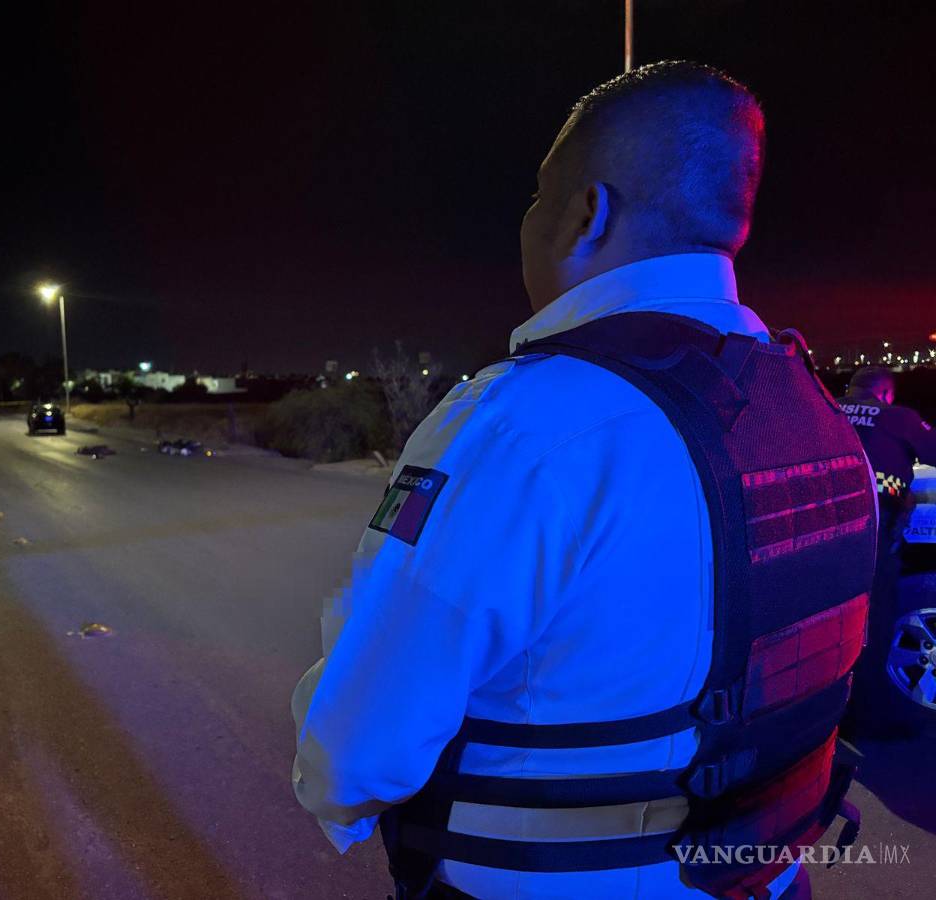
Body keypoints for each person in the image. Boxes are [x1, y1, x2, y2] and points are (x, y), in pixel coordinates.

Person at [292, 61, 877, 900]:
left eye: (537, 199)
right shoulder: (818, 417)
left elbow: (357, 753)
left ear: (585, 214)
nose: (527, 223)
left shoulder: (523, 427)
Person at [837, 367, 936, 738]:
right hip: (874, 534)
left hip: (825, 536)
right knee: (875, 625)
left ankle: (830, 713)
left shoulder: (826, 408)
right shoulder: (896, 417)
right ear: (885, 393)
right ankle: (866, 720)